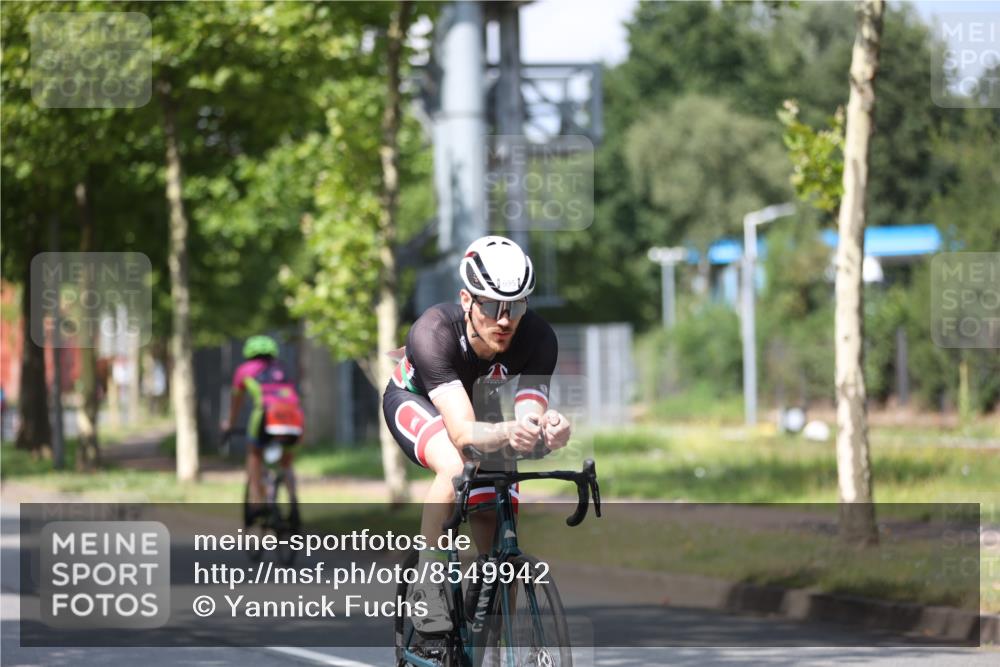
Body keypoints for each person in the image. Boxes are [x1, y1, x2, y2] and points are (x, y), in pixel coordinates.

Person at [382, 235, 571, 634]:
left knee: (499, 502)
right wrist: (508, 430)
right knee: (455, 464)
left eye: (516, 306)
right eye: (491, 305)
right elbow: (463, 433)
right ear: (467, 301)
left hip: (478, 402)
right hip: (418, 400)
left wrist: (547, 428)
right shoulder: (434, 331)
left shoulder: (538, 338)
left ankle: (494, 636)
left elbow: (529, 414)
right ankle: (429, 586)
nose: (504, 320)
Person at [223, 335, 304, 523]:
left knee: (254, 455)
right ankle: (293, 503)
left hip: (266, 415)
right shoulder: (283, 368)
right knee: (286, 463)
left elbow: (236, 403)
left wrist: (230, 424)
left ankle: (257, 503)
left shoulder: (244, 370)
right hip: (294, 416)